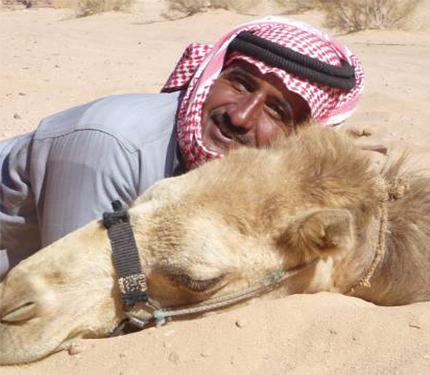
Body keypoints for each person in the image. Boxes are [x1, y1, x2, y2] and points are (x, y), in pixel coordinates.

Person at [0, 17, 365, 279]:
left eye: (276, 110)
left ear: (298, 134)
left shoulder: (232, 162)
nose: (240, 117)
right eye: (239, 84)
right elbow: (72, 278)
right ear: (211, 76)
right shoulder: (112, 145)